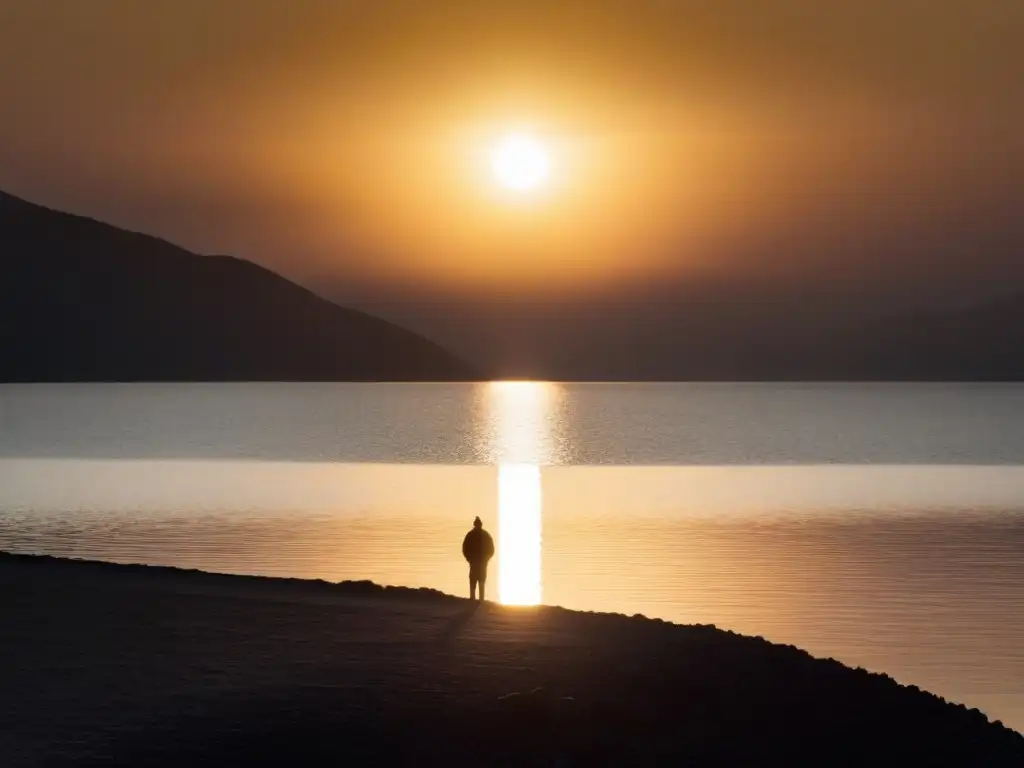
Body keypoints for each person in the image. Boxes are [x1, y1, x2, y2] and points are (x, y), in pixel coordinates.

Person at [462, 516, 495, 601]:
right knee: (473, 580)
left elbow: (491, 550)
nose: (478, 526)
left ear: (481, 525)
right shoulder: (470, 535)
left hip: (482, 563)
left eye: (479, 525)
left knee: (481, 581)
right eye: (476, 525)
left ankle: (481, 600)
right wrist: (469, 559)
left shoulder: (486, 535)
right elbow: (465, 548)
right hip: (473, 562)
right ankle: (472, 598)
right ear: (474, 525)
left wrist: (487, 559)